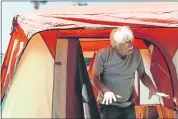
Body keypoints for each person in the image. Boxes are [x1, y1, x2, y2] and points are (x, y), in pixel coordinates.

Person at [91, 26, 169, 119]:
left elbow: (143, 74)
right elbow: (94, 78)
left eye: (131, 41)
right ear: (115, 45)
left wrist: (152, 88)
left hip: (128, 105)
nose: (131, 46)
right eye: (126, 43)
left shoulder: (136, 53)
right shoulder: (103, 54)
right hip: (108, 106)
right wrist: (106, 91)